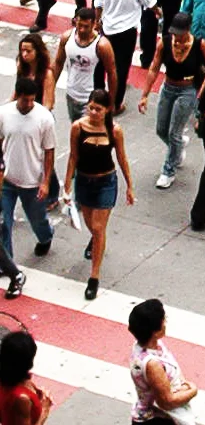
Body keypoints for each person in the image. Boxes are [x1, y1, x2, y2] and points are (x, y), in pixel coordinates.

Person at [60, 87, 133, 300]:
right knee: (91, 225)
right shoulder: (77, 127)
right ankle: (95, 240)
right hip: (84, 180)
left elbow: (122, 158)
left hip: (106, 182)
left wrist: (130, 185)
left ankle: (94, 276)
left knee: (99, 227)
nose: (93, 113)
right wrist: (67, 185)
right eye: (90, 108)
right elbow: (73, 157)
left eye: (98, 109)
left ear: (107, 110)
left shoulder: (114, 130)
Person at [138, 12, 205, 191]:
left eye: (180, 34)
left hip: (187, 90)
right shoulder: (164, 42)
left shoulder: (199, 45)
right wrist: (145, 94)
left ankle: (168, 170)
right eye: (174, 33)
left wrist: (202, 96)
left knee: (173, 132)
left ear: (188, 30)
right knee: (161, 130)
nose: (176, 38)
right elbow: (154, 68)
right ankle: (178, 146)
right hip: (168, 87)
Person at [0, 78, 56, 262]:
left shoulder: (44, 118)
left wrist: (46, 182)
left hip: (32, 181)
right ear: (17, 96)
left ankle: (46, 237)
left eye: (32, 100)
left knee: (38, 220)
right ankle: (6, 262)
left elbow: (49, 151)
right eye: (25, 100)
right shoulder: (4, 113)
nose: (29, 104)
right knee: (3, 224)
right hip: (7, 180)